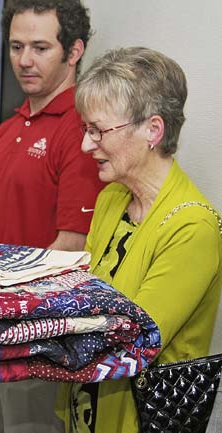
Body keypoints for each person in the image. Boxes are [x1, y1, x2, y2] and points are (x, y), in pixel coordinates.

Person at [54, 46, 222, 433]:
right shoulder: (112, 198)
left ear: (153, 130)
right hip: (86, 407)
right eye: (85, 129)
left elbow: (135, 339)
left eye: (98, 130)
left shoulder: (192, 226)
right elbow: (83, 289)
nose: (85, 145)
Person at [0, 1, 103, 432]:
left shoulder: (82, 128)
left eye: (40, 47)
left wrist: (8, 314)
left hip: (35, 340)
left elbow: (73, 245)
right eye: (16, 46)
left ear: (74, 50)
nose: (24, 61)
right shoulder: (8, 127)